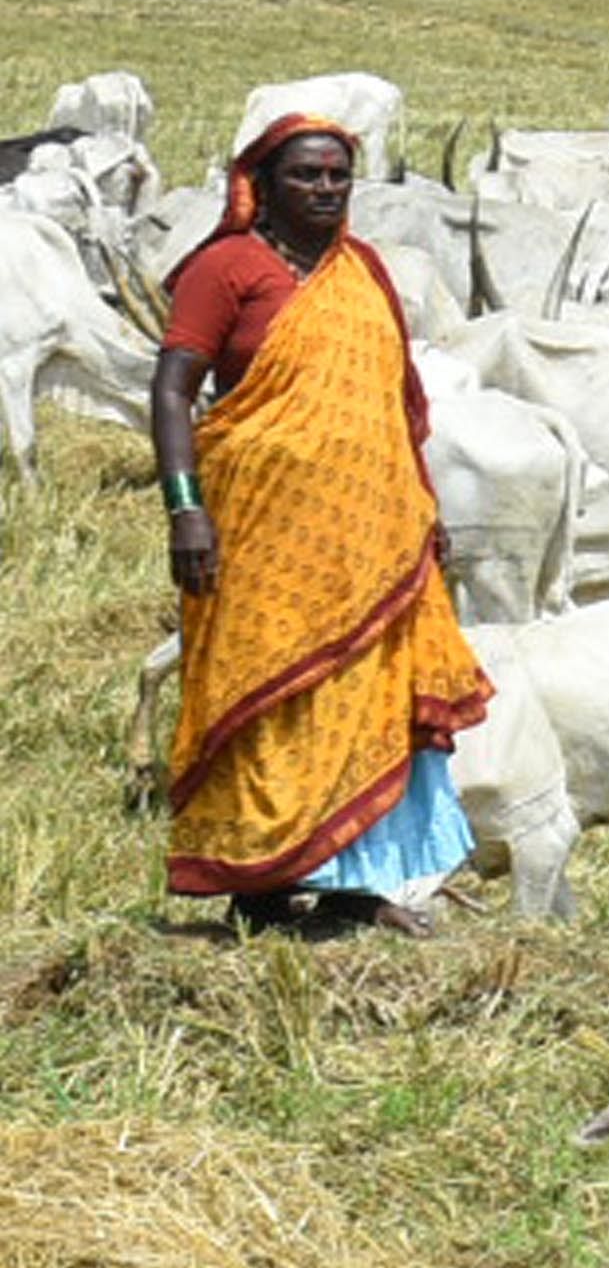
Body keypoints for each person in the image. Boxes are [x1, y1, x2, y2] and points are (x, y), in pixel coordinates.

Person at [149, 114, 490, 938]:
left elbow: (396, 407)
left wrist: (422, 511)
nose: (327, 188)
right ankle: (262, 887)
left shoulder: (362, 271)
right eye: (306, 175)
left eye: (339, 174)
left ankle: (354, 888)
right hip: (258, 531)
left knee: (367, 692)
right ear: (261, 188)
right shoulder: (224, 269)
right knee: (264, 689)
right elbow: (170, 391)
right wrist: (184, 506)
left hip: (373, 531)